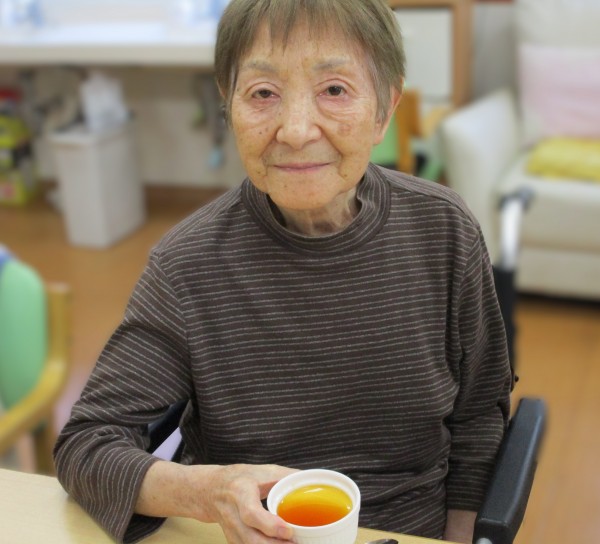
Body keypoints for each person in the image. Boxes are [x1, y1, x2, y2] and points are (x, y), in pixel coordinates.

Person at [54, 1, 512, 543]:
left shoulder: (444, 230)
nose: (295, 131)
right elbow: (86, 445)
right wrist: (206, 491)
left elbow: (480, 414)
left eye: (334, 90)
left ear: (384, 110)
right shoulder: (186, 265)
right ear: (228, 106)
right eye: (263, 94)